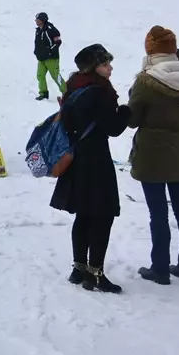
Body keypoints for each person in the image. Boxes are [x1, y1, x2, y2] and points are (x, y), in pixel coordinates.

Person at [49, 44, 131, 293]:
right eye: (105, 64)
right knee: (102, 215)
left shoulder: (74, 86)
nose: (111, 68)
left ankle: (78, 268)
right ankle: (95, 273)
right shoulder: (98, 92)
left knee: (83, 214)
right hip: (96, 160)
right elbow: (113, 128)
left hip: (77, 160)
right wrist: (126, 111)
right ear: (93, 67)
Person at [127, 26, 179, 284]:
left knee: (158, 213)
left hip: (152, 151)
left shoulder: (146, 80)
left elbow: (133, 119)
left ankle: (159, 269)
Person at [34, 12, 65, 100]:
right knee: (40, 75)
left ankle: (66, 92)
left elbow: (58, 42)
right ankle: (43, 93)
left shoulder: (51, 29)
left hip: (51, 58)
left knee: (55, 76)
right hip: (41, 58)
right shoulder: (38, 30)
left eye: (37, 19)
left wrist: (50, 51)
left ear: (42, 20)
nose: (36, 21)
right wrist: (36, 52)